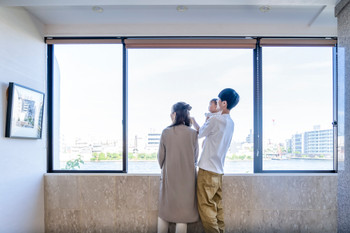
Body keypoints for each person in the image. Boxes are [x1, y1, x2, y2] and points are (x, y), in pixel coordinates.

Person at [192, 88, 240, 233]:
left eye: (219, 100)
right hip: (219, 172)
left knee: (206, 209)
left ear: (224, 103)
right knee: (218, 209)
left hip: (207, 170)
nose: (217, 102)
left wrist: (192, 121)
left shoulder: (216, 120)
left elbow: (199, 134)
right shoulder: (230, 123)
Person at [157, 102, 199, 233]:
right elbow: (195, 158)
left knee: (164, 212)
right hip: (187, 180)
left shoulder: (166, 132)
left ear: (174, 114)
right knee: (183, 216)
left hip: (170, 178)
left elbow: (160, 158)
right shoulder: (193, 134)